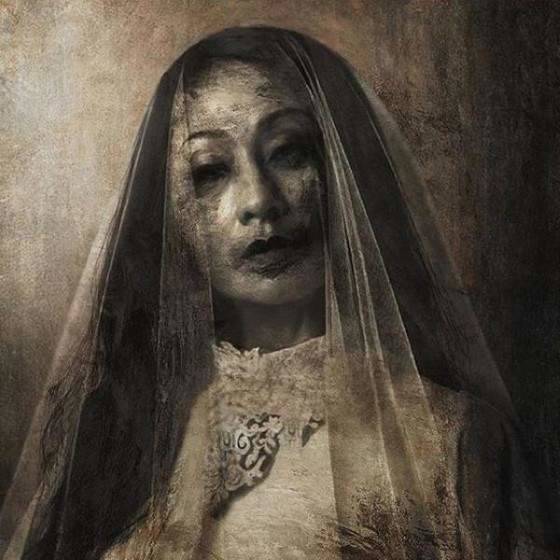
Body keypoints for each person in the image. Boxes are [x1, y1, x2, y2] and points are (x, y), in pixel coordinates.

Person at [0, 26, 554, 560]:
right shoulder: (116, 436)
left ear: (342, 170)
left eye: (289, 151)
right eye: (210, 170)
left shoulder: (454, 439)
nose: (260, 201)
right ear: (168, 214)